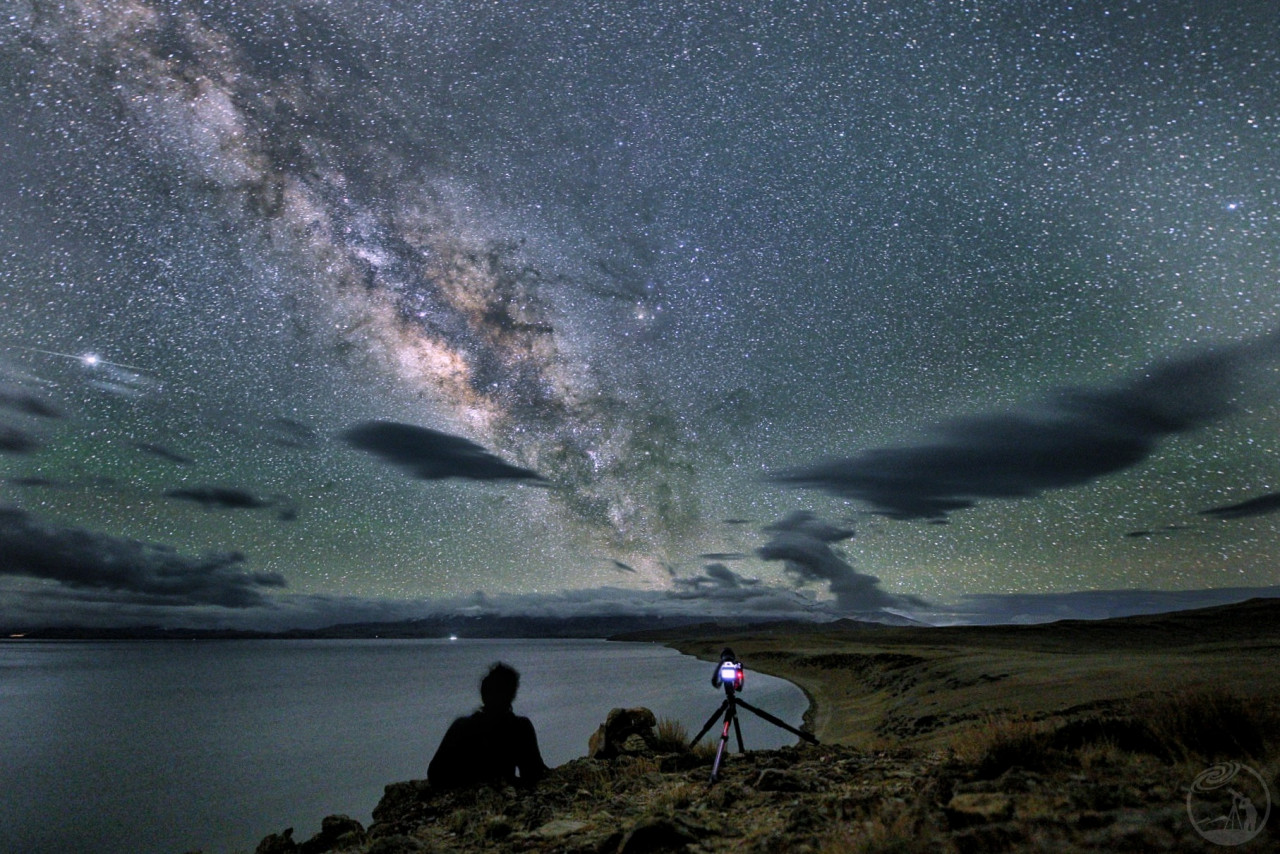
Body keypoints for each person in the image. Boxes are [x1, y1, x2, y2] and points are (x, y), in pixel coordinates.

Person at [428, 662, 548, 789]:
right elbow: (533, 773)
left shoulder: (462, 727)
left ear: (484, 694)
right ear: (512, 695)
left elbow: (435, 774)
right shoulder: (520, 728)